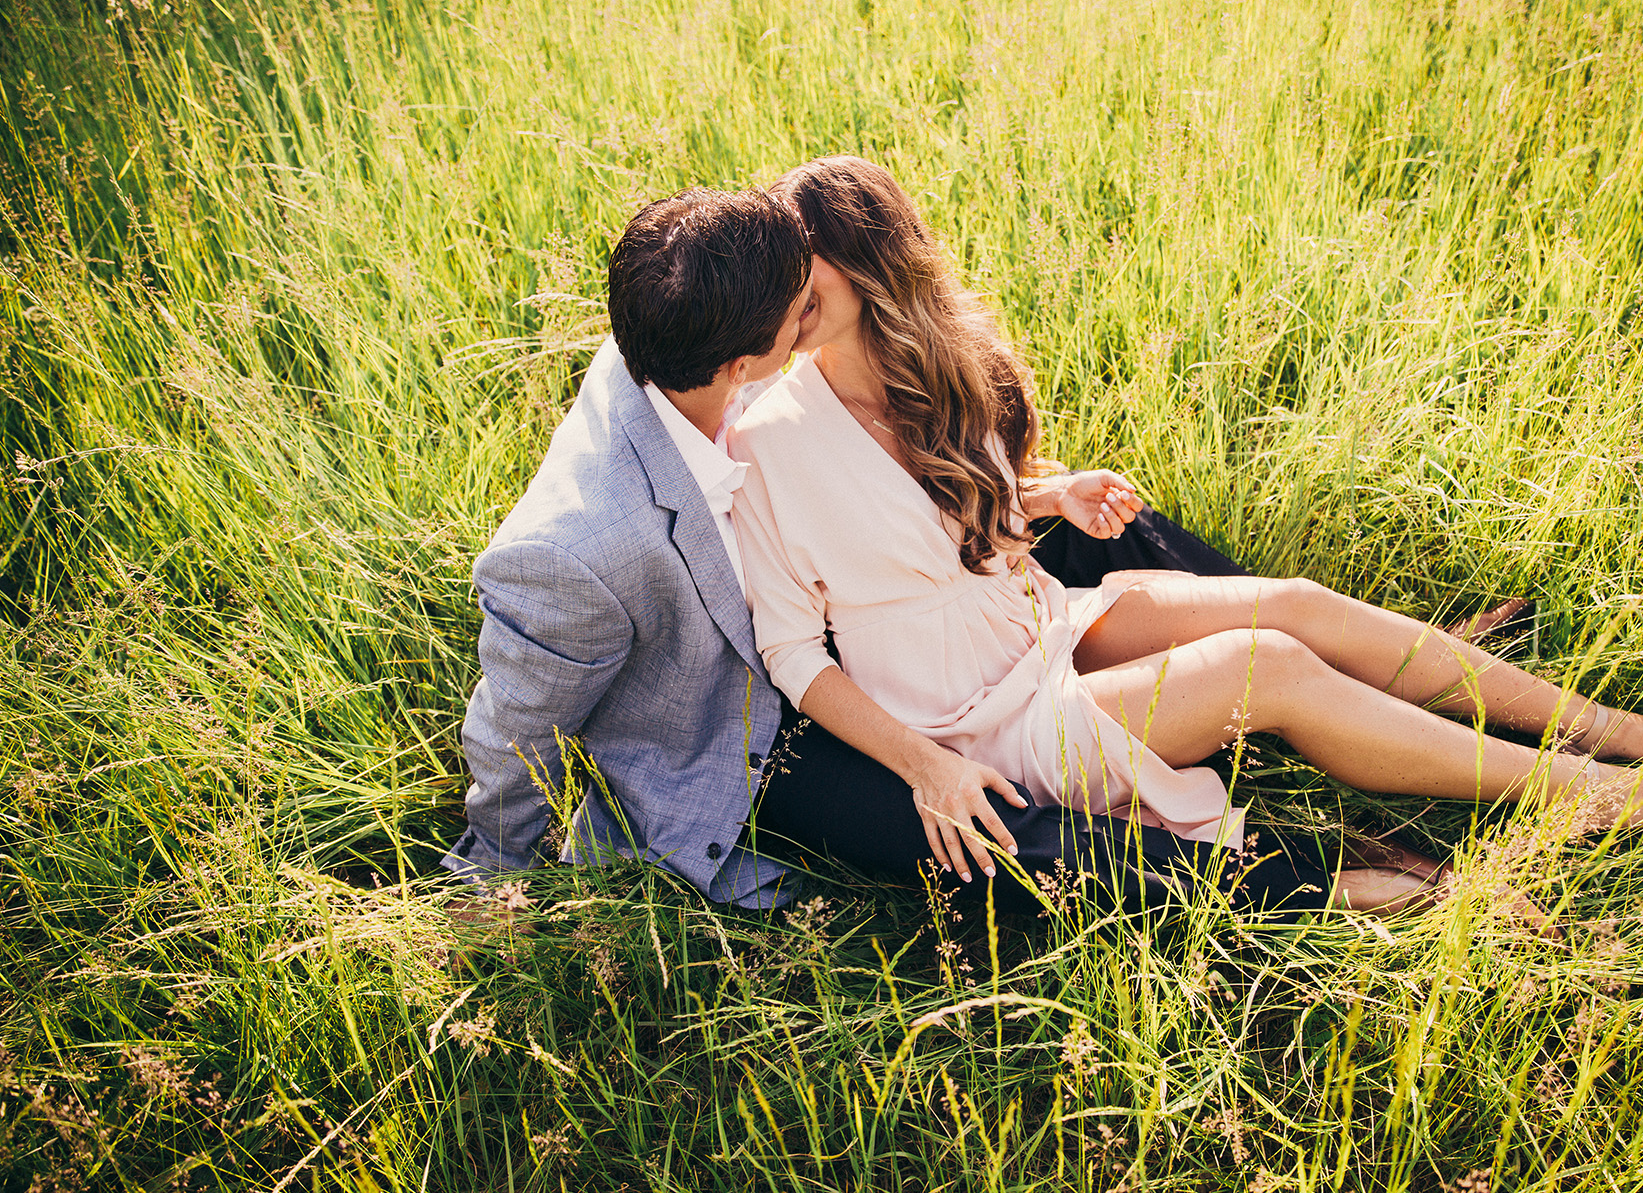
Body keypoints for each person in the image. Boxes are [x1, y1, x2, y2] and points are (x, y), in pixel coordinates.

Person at [728, 156, 1643, 916]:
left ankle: (1614, 727)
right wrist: (925, 765)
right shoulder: (766, 439)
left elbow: (948, 531)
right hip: (975, 719)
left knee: (1293, 603)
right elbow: (789, 650)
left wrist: (1045, 497)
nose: (785, 292)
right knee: (1270, 664)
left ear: (867, 256)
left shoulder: (940, 367)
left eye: (801, 267)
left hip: (1040, 626)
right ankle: (1583, 793)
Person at [441, 184, 1422, 918]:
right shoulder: (575, 551)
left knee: (1113, 541)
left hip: (885, 617)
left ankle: (1380, 677)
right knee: (982, 825)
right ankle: (1308, 883)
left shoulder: (687, 314)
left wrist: (1034, 495)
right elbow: (510, 726)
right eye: (799, 300)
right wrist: (491, 869)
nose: (812, 296)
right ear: (748, 362)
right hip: (755, 735)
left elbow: (884, 501)